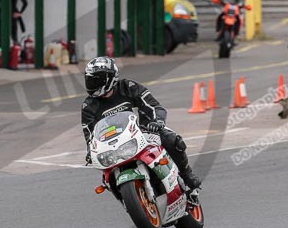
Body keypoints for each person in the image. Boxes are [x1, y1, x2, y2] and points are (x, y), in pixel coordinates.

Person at [81, 56, 201, 189]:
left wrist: (157, 122)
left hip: (142, 133)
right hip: (112, 144)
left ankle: (186, 174)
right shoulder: (88, 105)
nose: (91, 84)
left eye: (95, 80)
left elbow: (154, 106)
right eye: (89, 79)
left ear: (109, 78)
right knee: (105, 178)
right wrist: (90, 151)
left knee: (172, 140)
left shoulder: (128, 87)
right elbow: (89, 134)